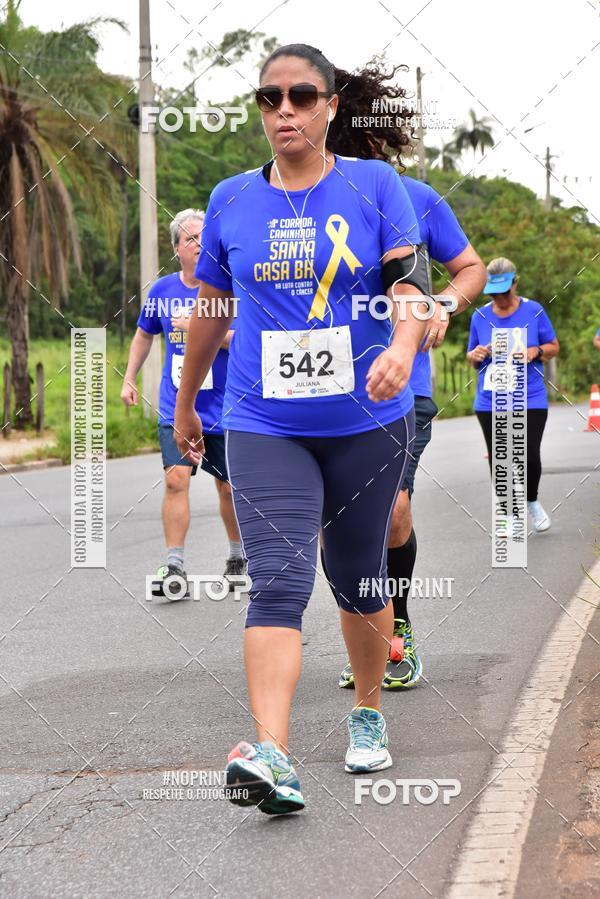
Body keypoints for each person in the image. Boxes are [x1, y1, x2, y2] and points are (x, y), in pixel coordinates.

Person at [174, 44, 432, 814]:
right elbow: (212, 312)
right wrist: (190, 402)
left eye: (300, 95)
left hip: (365, 420)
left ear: (329, 107)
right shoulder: (229, 199)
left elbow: (412, 286)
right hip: (262, 421)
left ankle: (367, 710)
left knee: (356, 579)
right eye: (268, 97)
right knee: (278, 581)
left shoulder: (375, 185)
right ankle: (273, 754)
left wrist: (402, 345)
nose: (282, 109)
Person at [336, 173, 487, 690]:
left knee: (394, 508)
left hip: (406, 388)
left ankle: (398, 624)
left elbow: (471, 267)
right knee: (348, 521)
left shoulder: (418, 197)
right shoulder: (301, 194)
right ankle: (365, 636)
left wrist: (442, 303)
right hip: (328, 393)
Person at [121, 209, 245, 597]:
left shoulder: (230, 288)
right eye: (191, 239)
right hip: (176, 405)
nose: (199, 245)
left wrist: (202, 329)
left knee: (228, 488)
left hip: (224, 406)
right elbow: (144, 335)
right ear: (177, 248)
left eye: (204, 238)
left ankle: (237, 556)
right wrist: (129, 378)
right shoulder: (161, 291)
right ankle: (174, 563)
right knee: (175, 481)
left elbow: (246, 340)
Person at [467, 257, 559, 532]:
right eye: (495, 292)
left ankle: (531, 502)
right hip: (490, 400)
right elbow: (471, 357)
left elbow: (553, 345)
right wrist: (476, 354)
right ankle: (509, 514)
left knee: (528, 456)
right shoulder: (480, 315)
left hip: (529, 396)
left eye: (505, 291)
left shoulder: (534, 310)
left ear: (515, 284)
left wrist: (536, 352)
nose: (501, 298)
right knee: (500, 457)